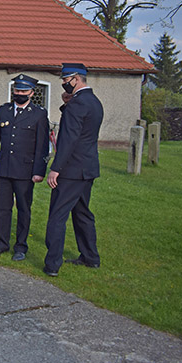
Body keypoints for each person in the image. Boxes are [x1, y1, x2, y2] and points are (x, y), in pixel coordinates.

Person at [43, 63, 104, 277]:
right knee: (83, 214)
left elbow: (68, 138)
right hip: (87, 169)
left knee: (57, 216)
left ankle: (52, 264)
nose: (63, 84)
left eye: (65, 80)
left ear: (76, 79)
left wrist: (55, 168)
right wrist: (67, 105)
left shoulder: (78, 104)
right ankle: (90, 257)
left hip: (71, 170)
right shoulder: (94, 102)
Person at [0, 74, 49, 261]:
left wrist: (39, 171)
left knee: (23, 209)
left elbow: (42, 145)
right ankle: (1, 243)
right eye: (17, 90)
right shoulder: (3, 110)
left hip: (25, 171)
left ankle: (21, 246)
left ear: (31, 93)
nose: (19, 94)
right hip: (4, 168)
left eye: (23, 91)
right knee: (2, 208)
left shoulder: (39, 114)